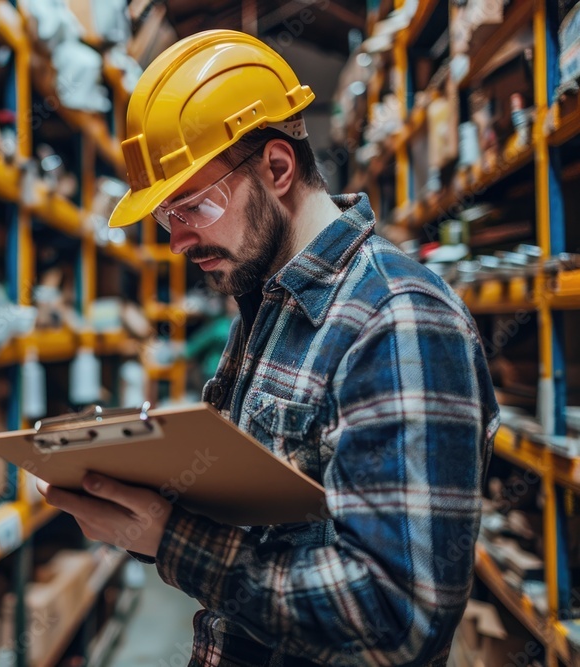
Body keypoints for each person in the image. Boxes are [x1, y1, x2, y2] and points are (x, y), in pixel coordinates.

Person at [37, 30, 498, 666]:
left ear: (277, 168)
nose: (177, 241)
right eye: (166, 217)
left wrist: (170, 538)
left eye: (192, 207)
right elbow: (263, 523)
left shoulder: (398, 320)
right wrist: (142, 494)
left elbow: (397, 617)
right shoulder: (267, 304)